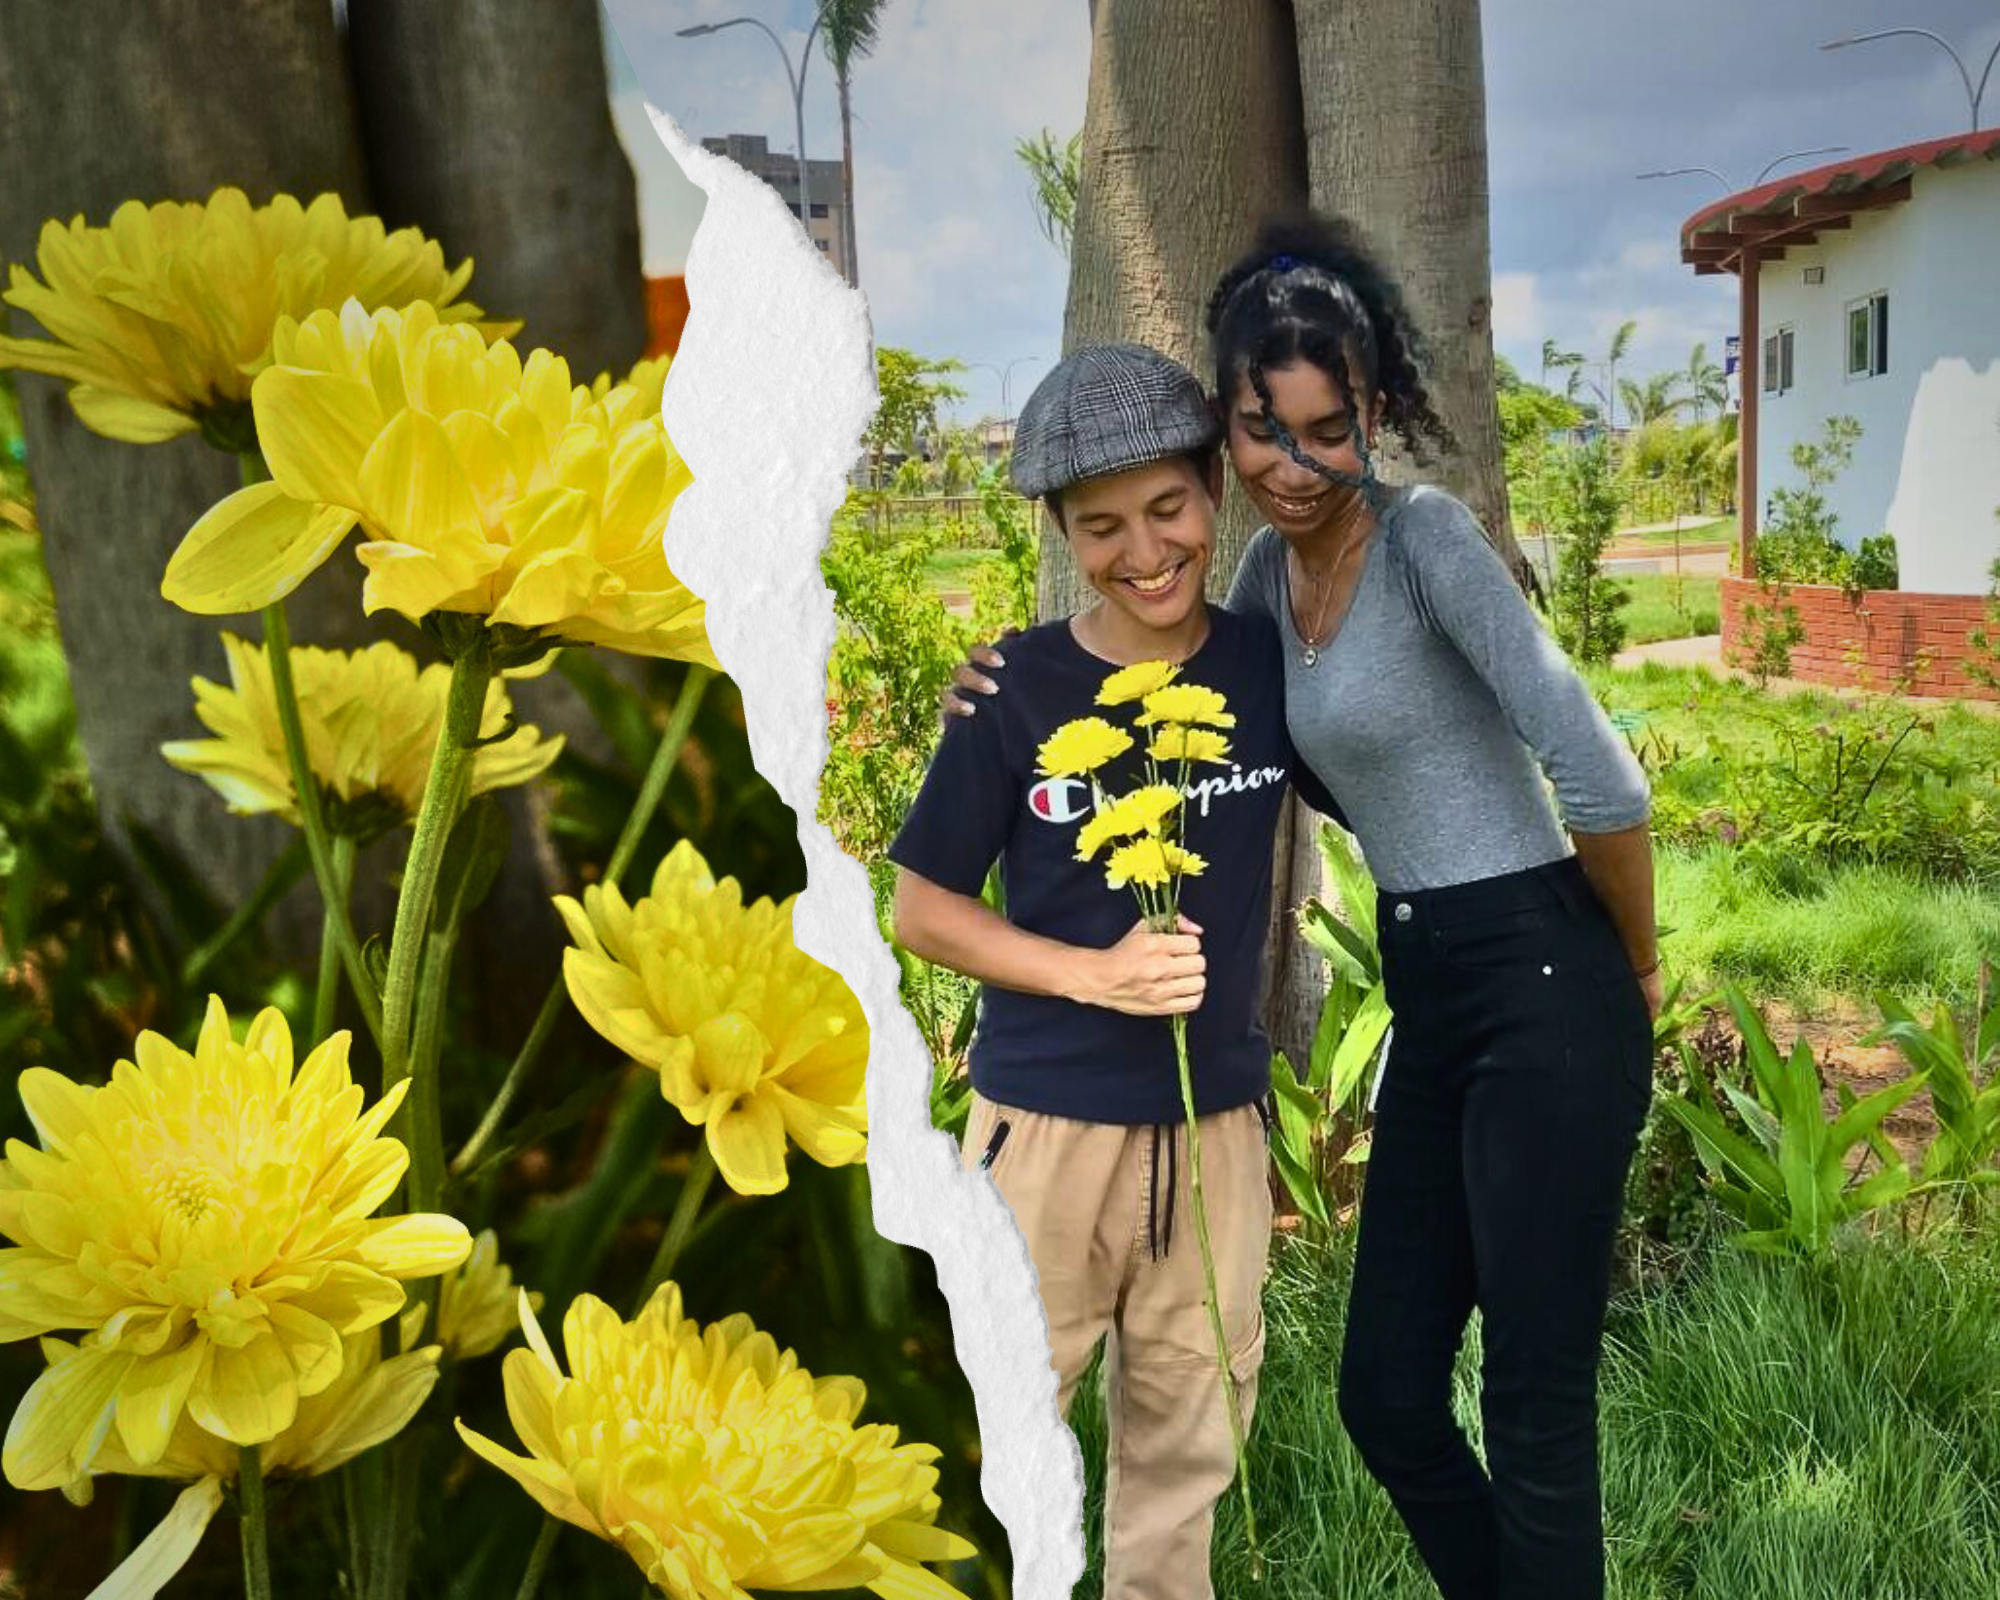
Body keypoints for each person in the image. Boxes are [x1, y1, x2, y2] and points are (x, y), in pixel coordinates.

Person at [950, 215, 1660, 1600]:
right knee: (1387, 1394)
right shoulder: (1269, 583)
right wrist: (998, 686)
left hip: (1551, 980)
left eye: (1327, 428)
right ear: (1228, 427)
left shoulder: (1425, 540)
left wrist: (1631, 965)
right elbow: (1210, 730)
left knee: (1531, 1405)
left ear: (1375, 411)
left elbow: (1603, 777)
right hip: (1435, 989)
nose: (1294, 464)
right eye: (1262, 433)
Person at [891, 342, 1334, 1600]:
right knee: (997, 1438)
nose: (1142, 551)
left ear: (1213, 493)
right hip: (1042, 1136)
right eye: (1099, 527)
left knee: (1189, 1446)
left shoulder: (1261, 667)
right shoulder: (1015, 690)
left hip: (1215, 1135)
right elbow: (919, 907)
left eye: (1166, 509)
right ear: (1059, 533)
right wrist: (1091, 974)